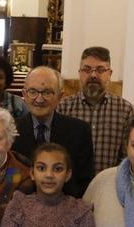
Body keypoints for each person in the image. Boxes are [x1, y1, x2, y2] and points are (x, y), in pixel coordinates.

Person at [12, 66, 95, 198]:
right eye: (33, 92)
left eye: (47, 92)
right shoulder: (11, 130)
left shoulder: (79, 131)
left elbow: (84, 182)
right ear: (24, 95)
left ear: (60, 96)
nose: (39, 99)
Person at [58, 46, 134, 173]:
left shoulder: (126, 111)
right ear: (79, 73)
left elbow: (128, 156)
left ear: (109, 74)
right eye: (87, 69)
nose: (93, 75)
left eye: (100, 70)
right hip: (71, 187)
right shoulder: (63, 108)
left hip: (110, 186)